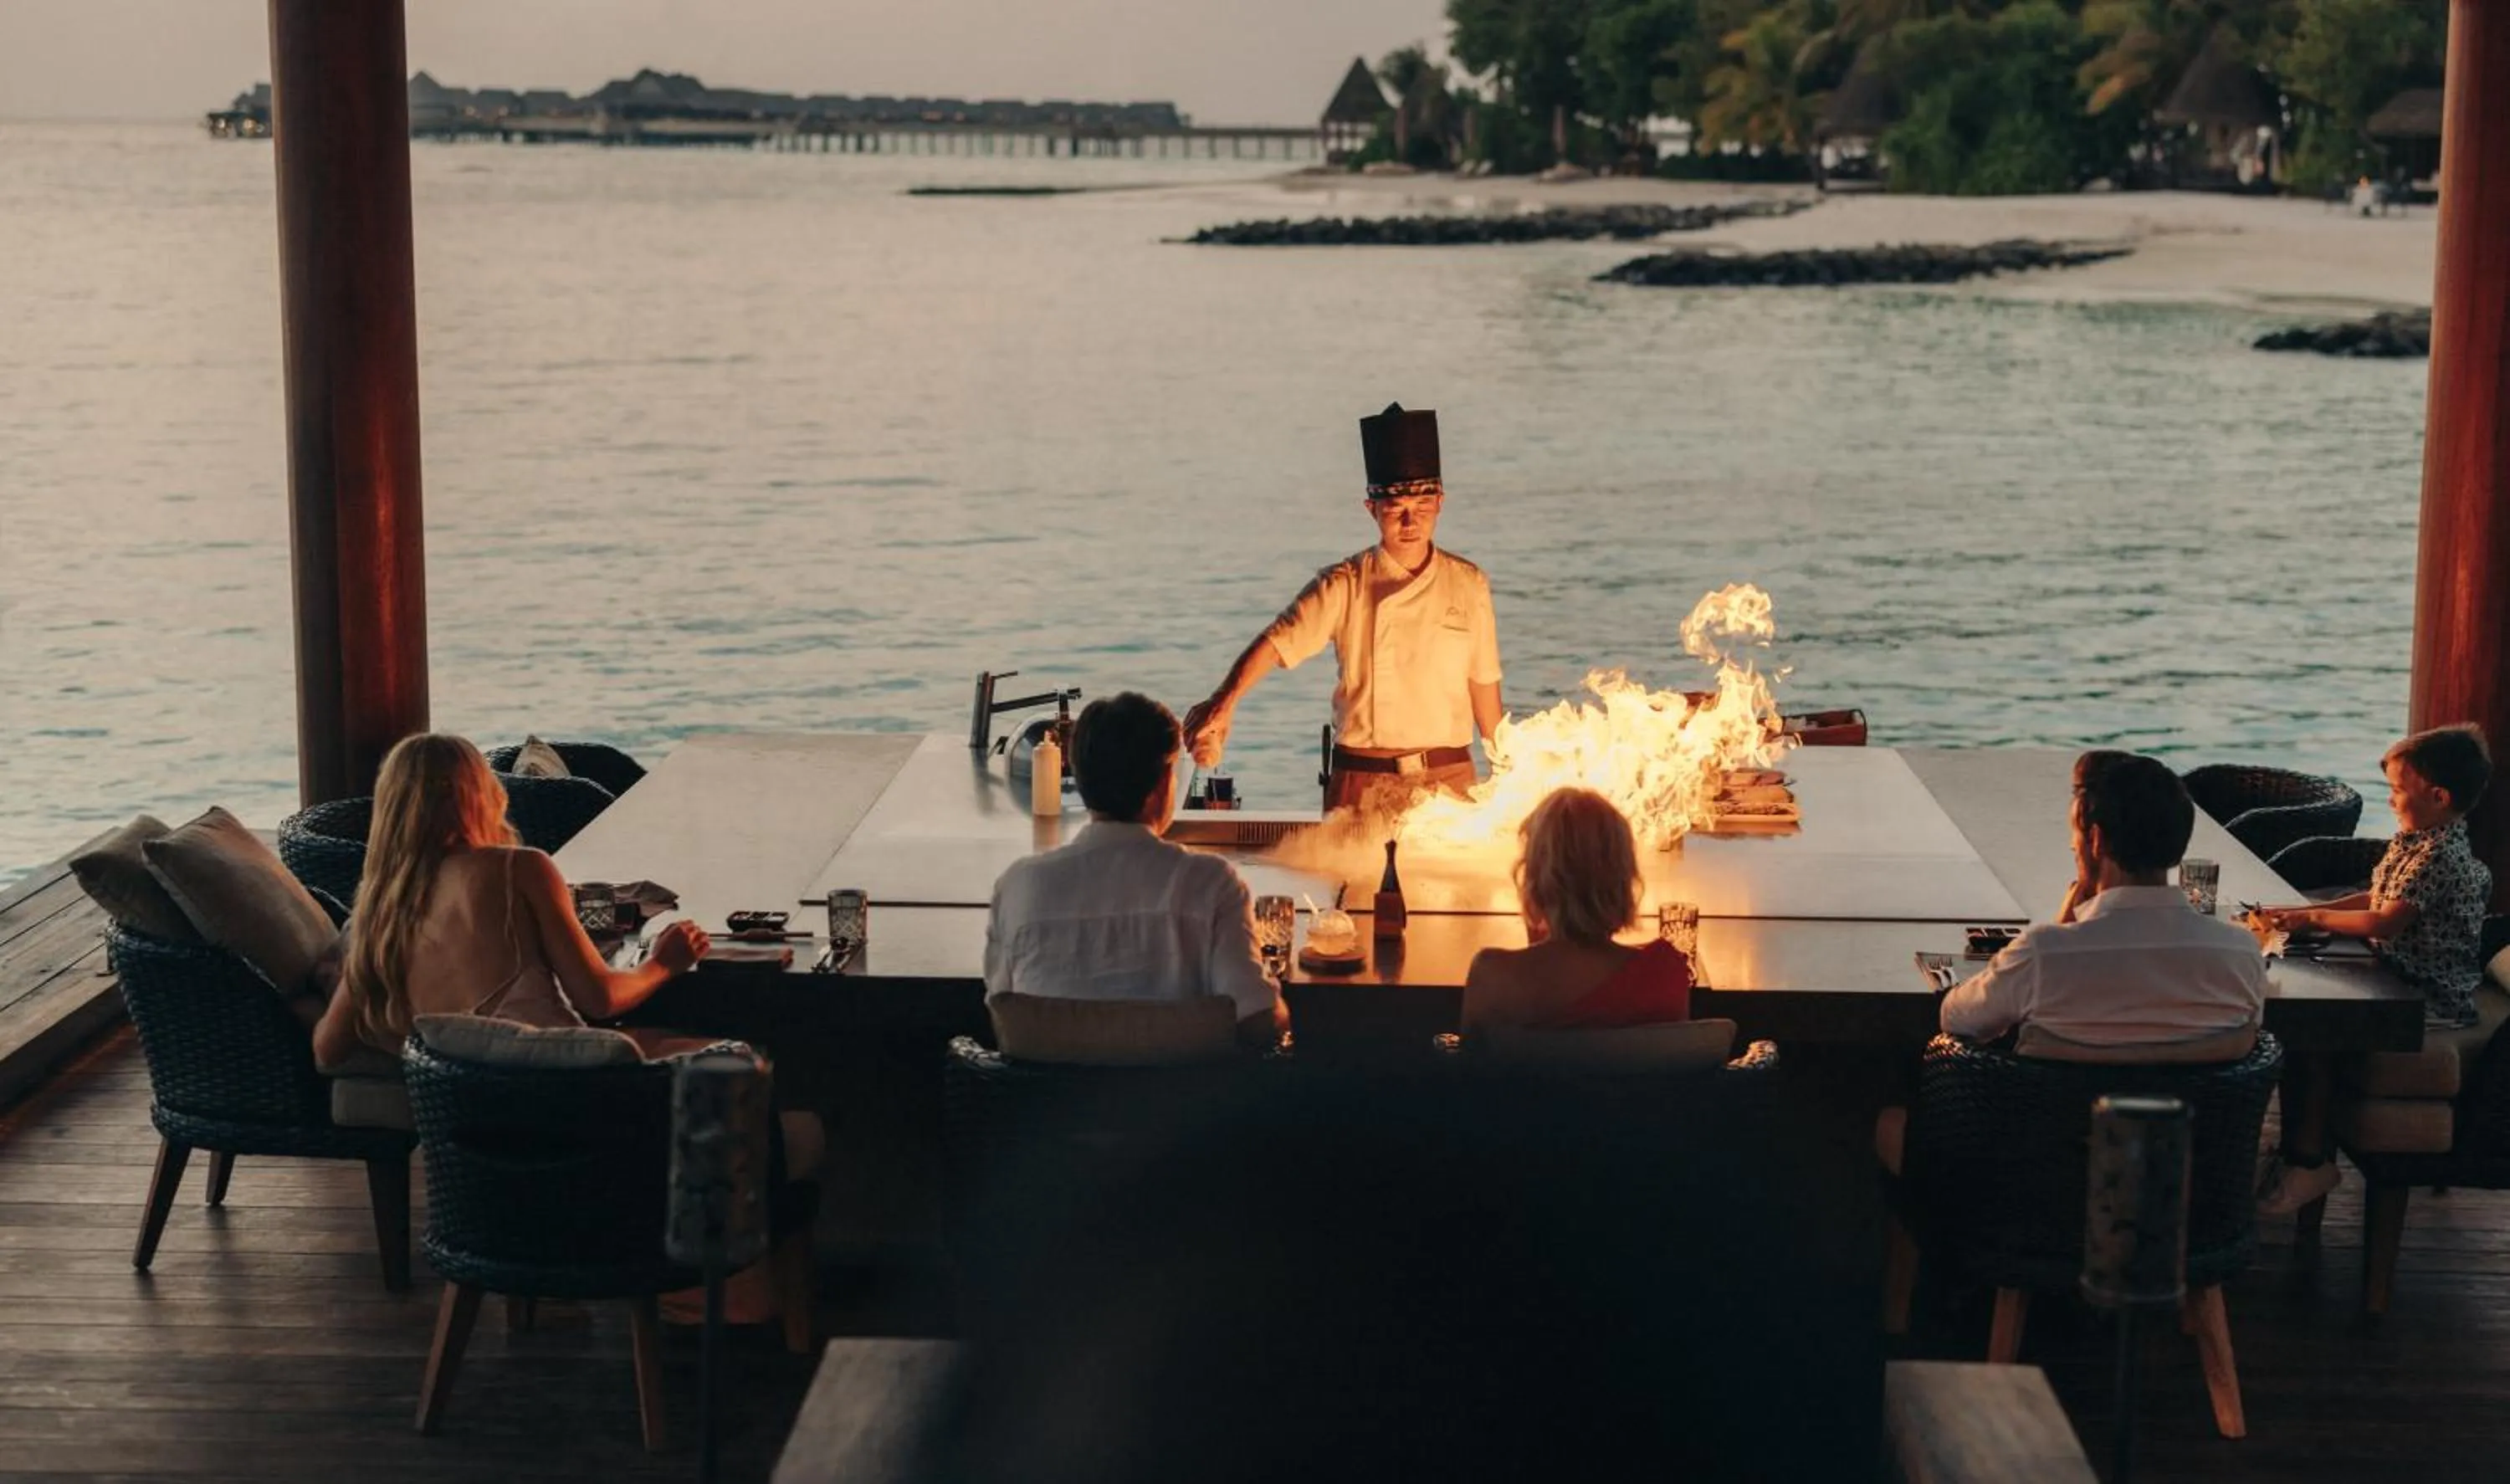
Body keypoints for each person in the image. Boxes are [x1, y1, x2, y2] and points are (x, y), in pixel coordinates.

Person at [1180, 403, 1503, 823]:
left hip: (1449, 783)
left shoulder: (1469, 583)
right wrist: (1224, 702)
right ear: (1372, 509)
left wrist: (1510, 773)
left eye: (1422, 507)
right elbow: (1278, 643)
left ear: (1440, 502)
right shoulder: (1344, 584)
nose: (1410, 521)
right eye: (1395, 509)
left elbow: (1485, 693)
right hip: (1361, 785)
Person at [311, 733, 710, 1072]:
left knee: (651, 1038)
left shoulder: (380, 913)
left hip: (462, 1107)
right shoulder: (520, 869)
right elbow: (600, 999)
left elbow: (327, 1051)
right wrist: (663, 963)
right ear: (480, 795)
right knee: (737, 1060)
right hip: (554, 1090)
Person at [984, 692, 1284, 1045]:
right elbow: (1259, 1022)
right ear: (1162, 785)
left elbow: (1002, 1014)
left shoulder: (1019, 886)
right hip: (1179, 1098)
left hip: (1045, 1097)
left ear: (1080, 780)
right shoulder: (1212, 885)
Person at [1940, 750, 2265, 1057]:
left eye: (2075, 837)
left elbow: (1957, 1019)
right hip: (2201, 1115)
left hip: (2059, 1115)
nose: (2072, 846)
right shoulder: (2241, 954)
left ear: (2095, 840)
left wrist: (2063, 927)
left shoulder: (2043, 955)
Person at [2254, 725, 2493, 1031]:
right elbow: (2376, 897)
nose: (2390, 801)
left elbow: (2385, 922)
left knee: (2310, 1014)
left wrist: (2316, 915)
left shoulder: (2438, 855)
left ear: (2438, 797)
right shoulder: (2416, 838)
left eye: (2397, 790)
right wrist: (2298, 913)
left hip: (2424, 995)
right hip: (2387, 966)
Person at [1462, 788, 1691, 1031]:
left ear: (1534, 880)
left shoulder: (1494, 977)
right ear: (1624, 879)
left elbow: (1470, 1065)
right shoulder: (1662, 974)